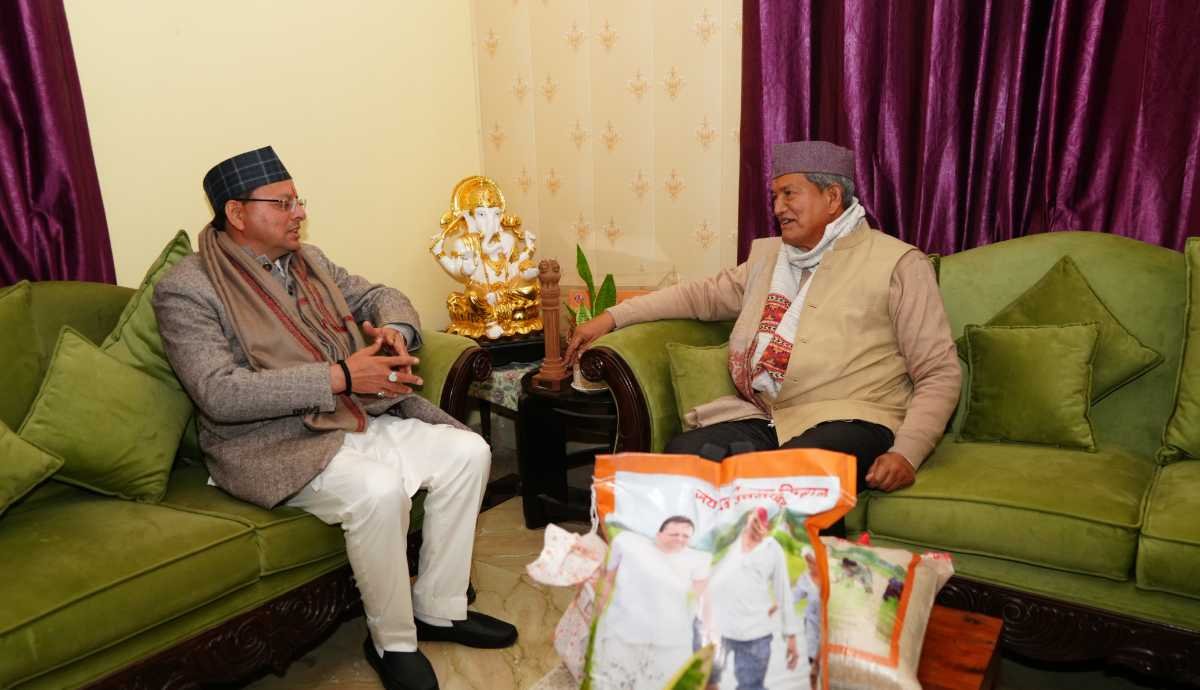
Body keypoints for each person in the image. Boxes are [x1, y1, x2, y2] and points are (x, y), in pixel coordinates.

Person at [152, 146, 517, 690]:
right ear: (236, 213)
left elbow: (380, 295)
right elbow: (218, 393)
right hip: (272, 443)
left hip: (352, 417)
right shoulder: (188, 288)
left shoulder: (310, 261)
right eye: (283, 203)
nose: (299, 212)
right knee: (378, 489)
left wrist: (396, 329)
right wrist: (341, 376)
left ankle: (439, 609)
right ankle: (393, 642)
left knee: (469, 452)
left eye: (298, 200)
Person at [565, 140, 961, 501]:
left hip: (857, 420)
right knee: (685, 458)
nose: (777, 208)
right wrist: (612, 317)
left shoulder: (898, 263)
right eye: (774, 196)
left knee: (787, 478)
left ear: (832, 197)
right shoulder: (769, 259)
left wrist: (907, 453)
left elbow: (939, 372)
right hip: (772, 418)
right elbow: (699, 296)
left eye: (789, 193)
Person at [592, 516, 710, 690]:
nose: (680, 539)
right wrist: (601, 607)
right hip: (626, 626)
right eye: (674, 534)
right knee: (616, 673)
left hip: (667, 634)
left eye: (685, 536)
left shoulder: (698, 559)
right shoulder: (630, 544)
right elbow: (608, 578)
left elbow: (700, 599)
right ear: (659, 534)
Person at [706, 507, 799, 690]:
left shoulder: (772, 549)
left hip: (756, 634)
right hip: (718, 630)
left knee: (751, 686)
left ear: (769, 526)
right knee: (707, 679)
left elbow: (784, 593)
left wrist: (791, 636)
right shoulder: (728, 540)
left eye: (763, 523)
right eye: (754, 521)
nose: (757, 528)